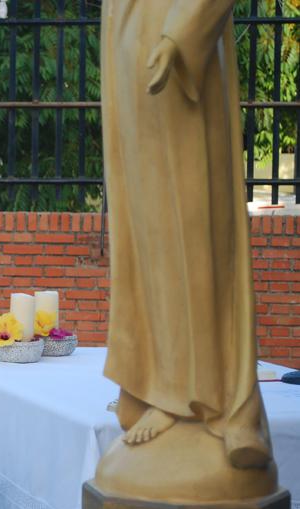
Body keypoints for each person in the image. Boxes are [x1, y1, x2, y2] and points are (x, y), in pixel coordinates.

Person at [101, 1, 271, 469]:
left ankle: (200, 397)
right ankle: (153, 380)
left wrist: (178, 35)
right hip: (131, 46)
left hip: (175, 53)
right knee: (146, 236)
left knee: (190, 226)